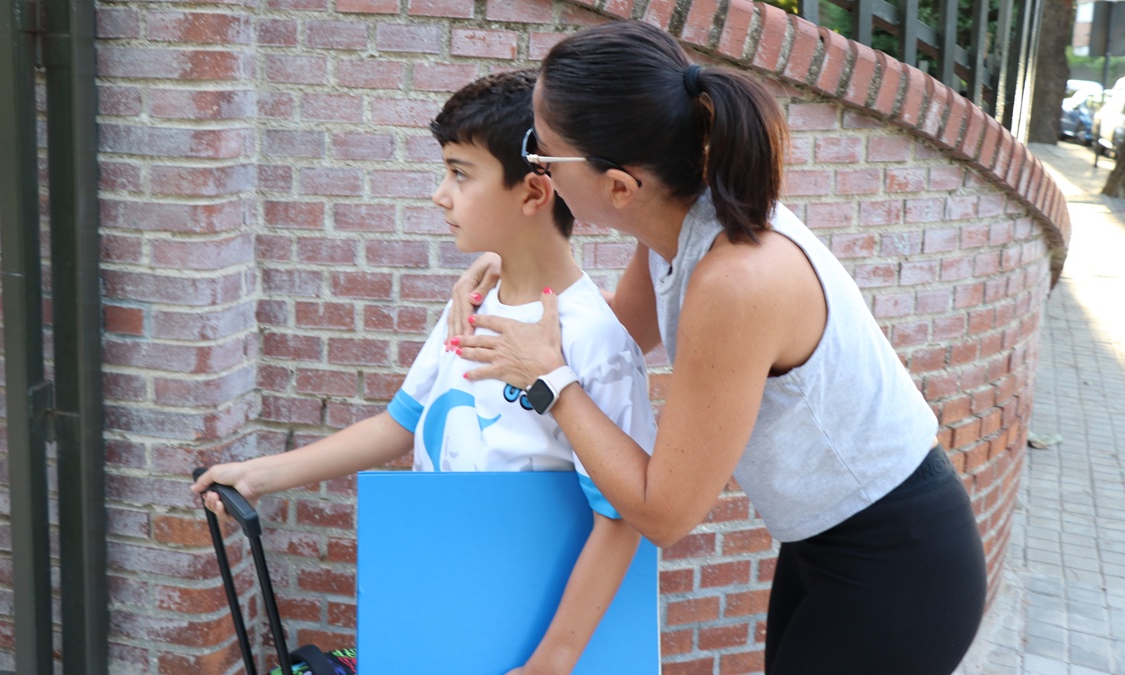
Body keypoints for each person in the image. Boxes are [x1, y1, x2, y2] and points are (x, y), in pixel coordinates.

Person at [448, 20, 988, 675]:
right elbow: (612, 335)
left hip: (896, 559)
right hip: (820, 540)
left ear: (620, 185)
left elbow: (663, 510)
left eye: (542, 153)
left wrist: (550, 383)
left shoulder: (736, 279)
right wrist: (511, 272)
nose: (533, 163)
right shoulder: (676, 218)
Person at [191, 69, 657, 675]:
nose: (441, 194)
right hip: (446, 619)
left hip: (526, 641)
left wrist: (551, 663)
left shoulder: (594, 341)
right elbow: (400, 423)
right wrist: (260, 476)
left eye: (460, 174)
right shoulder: (470, 303)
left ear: (535, 193)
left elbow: (620, 519)